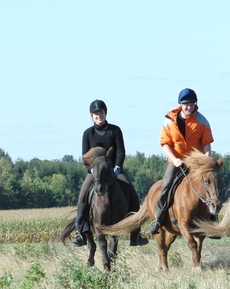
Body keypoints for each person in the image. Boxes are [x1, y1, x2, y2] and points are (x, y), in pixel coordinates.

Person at [72, 99, 149, 247]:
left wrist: (118, 167)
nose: (98, 116)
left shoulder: (115, 130)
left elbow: (120, 151)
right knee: (82, 196)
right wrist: (92, 170)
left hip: (113, 169)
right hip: (96, 172)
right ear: (91, 116)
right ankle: (79, 231)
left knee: (132, 193)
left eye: (100, 112)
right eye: (95, 114)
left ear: (105, 113)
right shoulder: (87, 134)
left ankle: (136, 234)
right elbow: (85, 157)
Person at [147, 88, 215, 235]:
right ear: (180, 105)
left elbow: (207, 143)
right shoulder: (169, 122)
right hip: (176, 161)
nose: (188, 107)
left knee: (210, 183)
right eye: (185, 104)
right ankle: (158, 218)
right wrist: (174, 159)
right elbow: (165, 143)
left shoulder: (202, 121)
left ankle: (212, 219)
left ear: (195, 105)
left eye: (191, 104)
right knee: (166, 183)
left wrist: (206, 160)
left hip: (196, 162)